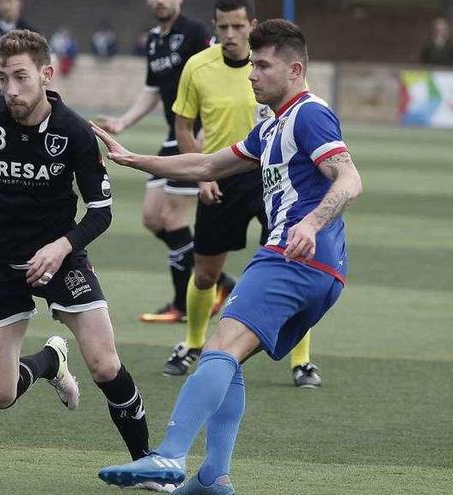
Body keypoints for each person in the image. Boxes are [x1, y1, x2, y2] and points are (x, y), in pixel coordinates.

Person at [94, 18, 362, 493]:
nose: (252, 74)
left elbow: (349, 179)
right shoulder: (274, 122)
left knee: (217, 351)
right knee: (227, 355)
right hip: (318, 268)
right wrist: (135, 159)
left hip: (292, 258)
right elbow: (208, 163)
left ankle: (169, 456)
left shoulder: (309, 115)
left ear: (295, 70)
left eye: (262, 65)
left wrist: (311, 222)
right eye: (251, 64)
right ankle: (213, 476)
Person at [0, 29, 151, 463]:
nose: (11, 89)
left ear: (47, 73)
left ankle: (147, 461)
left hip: (60, 258)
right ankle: (49, 361)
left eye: (21, 77)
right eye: (2, 77)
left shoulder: (76, 133)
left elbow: (101, 211)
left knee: (104, 364)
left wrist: (62, 247)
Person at [167, 0, 320, 387]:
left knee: (292, 267)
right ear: (215, 27)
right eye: (223, 27)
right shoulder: (198, 67)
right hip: (222, 175)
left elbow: (300, 116)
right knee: (205, 273)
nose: (231, 35)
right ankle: (193, 342)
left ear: (251, 25)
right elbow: (183, 126)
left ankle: (301, 362)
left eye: (238, 27)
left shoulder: (274, 65)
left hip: (272, 176)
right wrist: (202, 175)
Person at [95, 0, 219, 326]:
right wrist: (123, 123)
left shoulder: (195, 32)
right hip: (172, 133)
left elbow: (217, 78)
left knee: (173, 217)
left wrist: (206, 131)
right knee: (152, 218)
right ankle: (216, 281)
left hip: (194, 133)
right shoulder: (153, 38)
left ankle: (184, 304)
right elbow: (153, 89)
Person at [0, 0, 35, 93]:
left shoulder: (28, 29)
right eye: (2, 2)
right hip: (3, 83)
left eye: (10, 2)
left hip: (22, 84)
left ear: (19, 3)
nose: (6, 6)